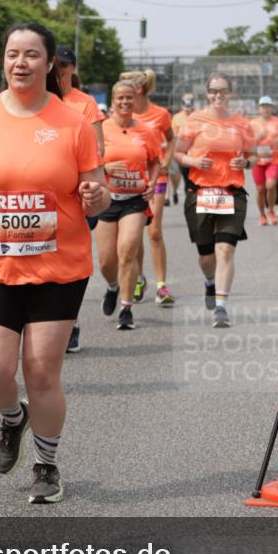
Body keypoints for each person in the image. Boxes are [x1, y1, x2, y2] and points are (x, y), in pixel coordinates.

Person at [0, 23, 110, 504]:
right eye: (13, 54)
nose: (21, 63)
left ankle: (46, 464)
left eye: (32, 55)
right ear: (4, 61)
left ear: (49, 63)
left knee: (41, 373)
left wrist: (97, 196)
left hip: (58, 267)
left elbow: (95, 196)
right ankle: (13, 418)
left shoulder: (73, 122)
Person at [174, 73, 256, 328]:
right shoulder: (194, 120)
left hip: (231, 191)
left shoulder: (242, 123)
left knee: (226, 249)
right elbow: (177, 153)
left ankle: (221, 306)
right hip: (201, 192)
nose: (218, 95)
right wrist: (194, 162)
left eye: (223, 91)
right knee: (207, 255)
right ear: (207, 93)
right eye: (213, 91)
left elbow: (252, 156)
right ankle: (210, 282)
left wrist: (245, 162)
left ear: (230, 93)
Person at [96, 81, 161, 330]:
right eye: (120, 98)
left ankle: (126, 307)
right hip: (107, 199)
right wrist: (105, 168)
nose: (124, 103)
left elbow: (155, 162)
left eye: (129, 98)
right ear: (112, 101)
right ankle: (112, 287)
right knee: (105, 262)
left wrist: (152, 182)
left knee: (128, 252)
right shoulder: (101, 129)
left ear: (135, 101)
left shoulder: (146, 130)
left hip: (135, 201)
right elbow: (87, 162)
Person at [55, 44, 105, 352]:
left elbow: (98, 149)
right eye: (55, 64)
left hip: (77, 193)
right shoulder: (41, 101)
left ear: (73, 68)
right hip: (44, 195)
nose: (59, 70)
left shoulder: (85, 104)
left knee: (69, 259)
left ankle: (70, 320)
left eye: (64, 65)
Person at [119, 69, 176, 306]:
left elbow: (171, 139)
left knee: (154, 231)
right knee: (135, 234)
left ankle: (161, 285)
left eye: (126, 89)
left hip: (157, 179)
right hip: (132, 181)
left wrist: (167, 162)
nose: (123, 96)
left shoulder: (160, 114)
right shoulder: (122, 115)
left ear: (138, 90)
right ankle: (139, 278)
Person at [250, 95, 278, 226]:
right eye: (263, 106)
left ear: (272, 108)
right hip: (257, 160)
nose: (265, 109)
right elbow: (247, 142)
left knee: (271, 186)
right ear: (259, 108)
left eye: (267, 106)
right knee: (260, 189)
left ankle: (271, 210)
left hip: (274, 159)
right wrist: (257, 138)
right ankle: (262, 214)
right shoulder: (253, 123)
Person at [171, 93, 196, 200]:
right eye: (185, 107)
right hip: (183, 154)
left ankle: (193, 198)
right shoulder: (177, 118)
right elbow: (173, 135)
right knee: (186, 178)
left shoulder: (198, 116)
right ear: (182, 106)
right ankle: (188, 198)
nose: (187, 110)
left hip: (196, 153)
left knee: (194, 179)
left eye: (189, 107)